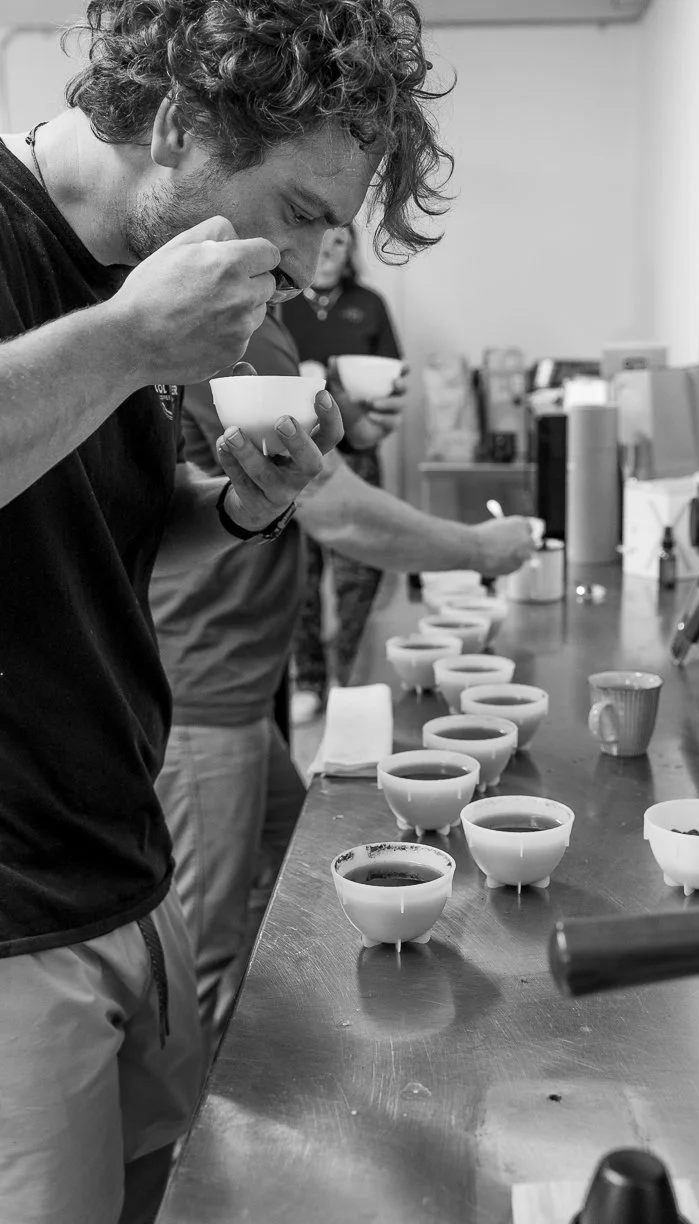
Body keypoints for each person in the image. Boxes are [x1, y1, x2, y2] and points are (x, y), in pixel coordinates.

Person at [0, 1, 452, 1221]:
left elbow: (103, 533)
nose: (312, 272)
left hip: (120, 867)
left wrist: (242, 505)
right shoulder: (69, 277)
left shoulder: (128, 291)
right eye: (303, 214)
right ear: (175, 119)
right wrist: (133, 341)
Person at [150, 308, 536, 1058]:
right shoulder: (233, 323)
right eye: (307, 214)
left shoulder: (265, 323)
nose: (319, 249)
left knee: (284, 887)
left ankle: (259, 1078)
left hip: (238, 680)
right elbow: (332, 509)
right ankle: (187, 1148)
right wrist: (476, 548)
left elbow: (286, 470)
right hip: (206, 681)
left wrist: (345, 427)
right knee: (204, 945)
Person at [282, 224, 404, 724]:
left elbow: (392, 376)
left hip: (356, 455)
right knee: (301, 574)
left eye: (339, 243)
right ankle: (308, 679)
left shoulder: (369, 303)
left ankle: (348, 677)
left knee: (360, 570)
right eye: (323, 239)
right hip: (295, 458)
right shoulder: (280, 301)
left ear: (350, 250)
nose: (329, 252)